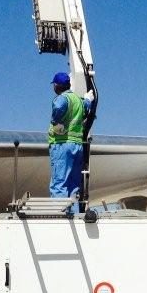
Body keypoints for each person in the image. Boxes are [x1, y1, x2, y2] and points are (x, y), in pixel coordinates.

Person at [48, 71, 94, 200]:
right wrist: (87, 100)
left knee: (60, 183)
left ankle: (60, 216)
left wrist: (56, 122)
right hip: (77, 146)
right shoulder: (77, 100)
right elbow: (86, 106)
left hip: (62, 144)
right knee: (73, 184)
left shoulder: (62, 99)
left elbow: (58, 109)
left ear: (57, 86)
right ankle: (73, 214)